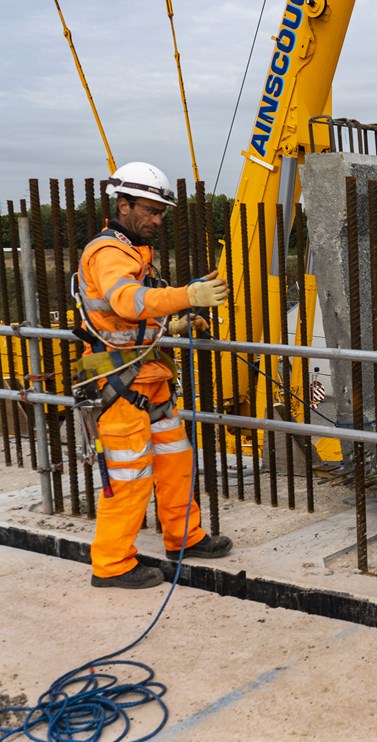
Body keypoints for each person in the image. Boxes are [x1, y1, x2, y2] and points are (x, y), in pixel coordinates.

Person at [76, 161, 233, 589]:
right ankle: (111, 564)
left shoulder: (135, 252)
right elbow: (126, 302)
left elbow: (132, 319)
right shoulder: (108, 252)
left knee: (176, 460)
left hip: (148, 374)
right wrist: (187, 295)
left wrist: (179, 321)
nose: (158, 220)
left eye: (162, 212)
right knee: (129, 474)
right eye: (150, 210)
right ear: (122, 205)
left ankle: (184, 537)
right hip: (119, 380)